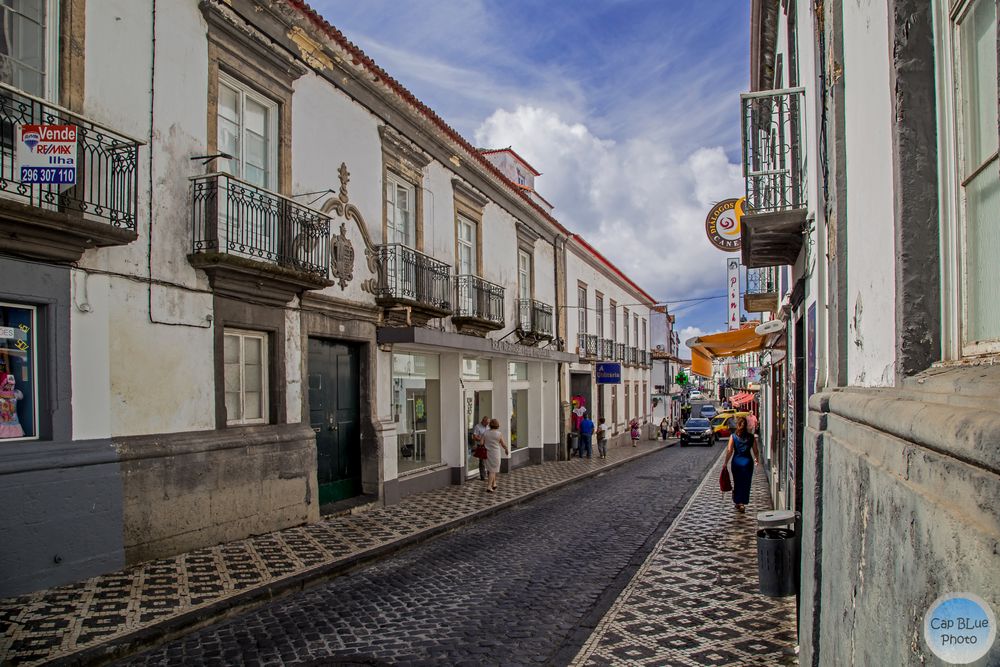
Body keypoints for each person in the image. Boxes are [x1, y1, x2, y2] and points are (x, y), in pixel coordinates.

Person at [723, 416, 760, 513]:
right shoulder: (751, 437)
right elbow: (755, 450)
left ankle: (739, 502)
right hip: (747, 462)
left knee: (737, 482)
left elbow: (729, 450)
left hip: (736, 462)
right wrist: (757, 459)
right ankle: (742, 501)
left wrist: (725, 463)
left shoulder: (733, 436)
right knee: (746, 483)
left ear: (737, 425)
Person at [483, 418, 509, 493]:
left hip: (487, 453)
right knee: (493, 470)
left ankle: (494, 484)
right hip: (495, 453)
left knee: (491, 469)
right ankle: (489, 486)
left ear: (490, 425)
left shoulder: (485, 433)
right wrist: (506, 449)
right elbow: (503, 444)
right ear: (497, 425)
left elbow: (481, 443)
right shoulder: (499, 434)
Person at [472, 416, 489, 481]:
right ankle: (483, 476)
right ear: (483, 421)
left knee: (489, 461)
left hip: (488, 446)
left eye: (488, 423)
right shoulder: (477, 426)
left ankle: (489, 474)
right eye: (486, 423)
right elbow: (474, 436)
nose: (487, 424)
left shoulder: (488, 426)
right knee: (482, 462)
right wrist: (482, 439)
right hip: (481, 446)